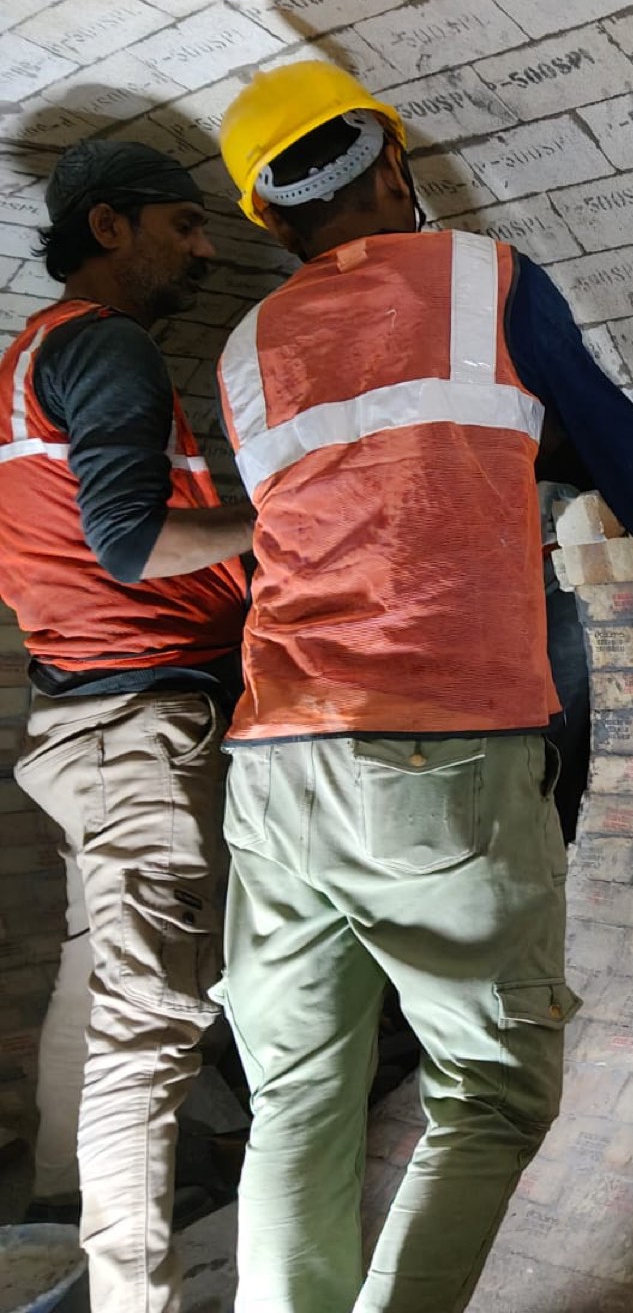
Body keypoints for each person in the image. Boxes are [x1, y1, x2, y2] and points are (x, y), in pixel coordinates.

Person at [211, 61, 633, 1313]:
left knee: (297, 1100)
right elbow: (598, 428)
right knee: (492, 1090)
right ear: (395, 164)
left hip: (275, 759)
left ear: (269, 219)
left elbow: (376, 473)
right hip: (430, 752)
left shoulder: (244, 347)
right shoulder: (483, 275)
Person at [0, 139, 253, 1313]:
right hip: (140, 724)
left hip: (84, 721)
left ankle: (57, 1211)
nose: (203, 246)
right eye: (183, 224)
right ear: (110, 226)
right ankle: (129, 1296)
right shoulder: (106, 344)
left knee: (101, 976)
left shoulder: (29, 357)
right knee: (149, 1027)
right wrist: (288, 519)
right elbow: (132, 545)